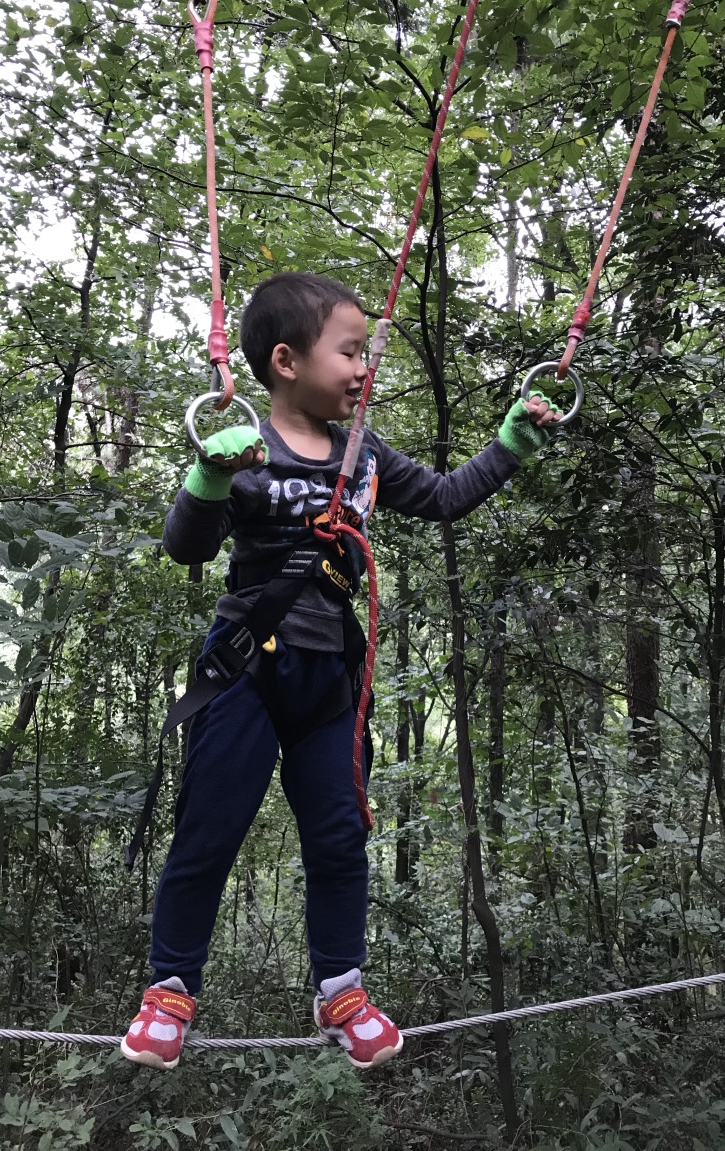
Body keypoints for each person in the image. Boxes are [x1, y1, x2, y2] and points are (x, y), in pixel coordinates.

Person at [120, 272, 560, 1071]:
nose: (364, 369)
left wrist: (509, 446)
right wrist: (209, 474)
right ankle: (171, 989)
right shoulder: (247, 450)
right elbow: (186, 547)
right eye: (349, 352)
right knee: (208, 833)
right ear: (286, 360)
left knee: (339, 838)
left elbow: (446, 496)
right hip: (245, 673)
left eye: (366, 353)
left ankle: (340, 987)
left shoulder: (368, 455)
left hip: (331, 681)